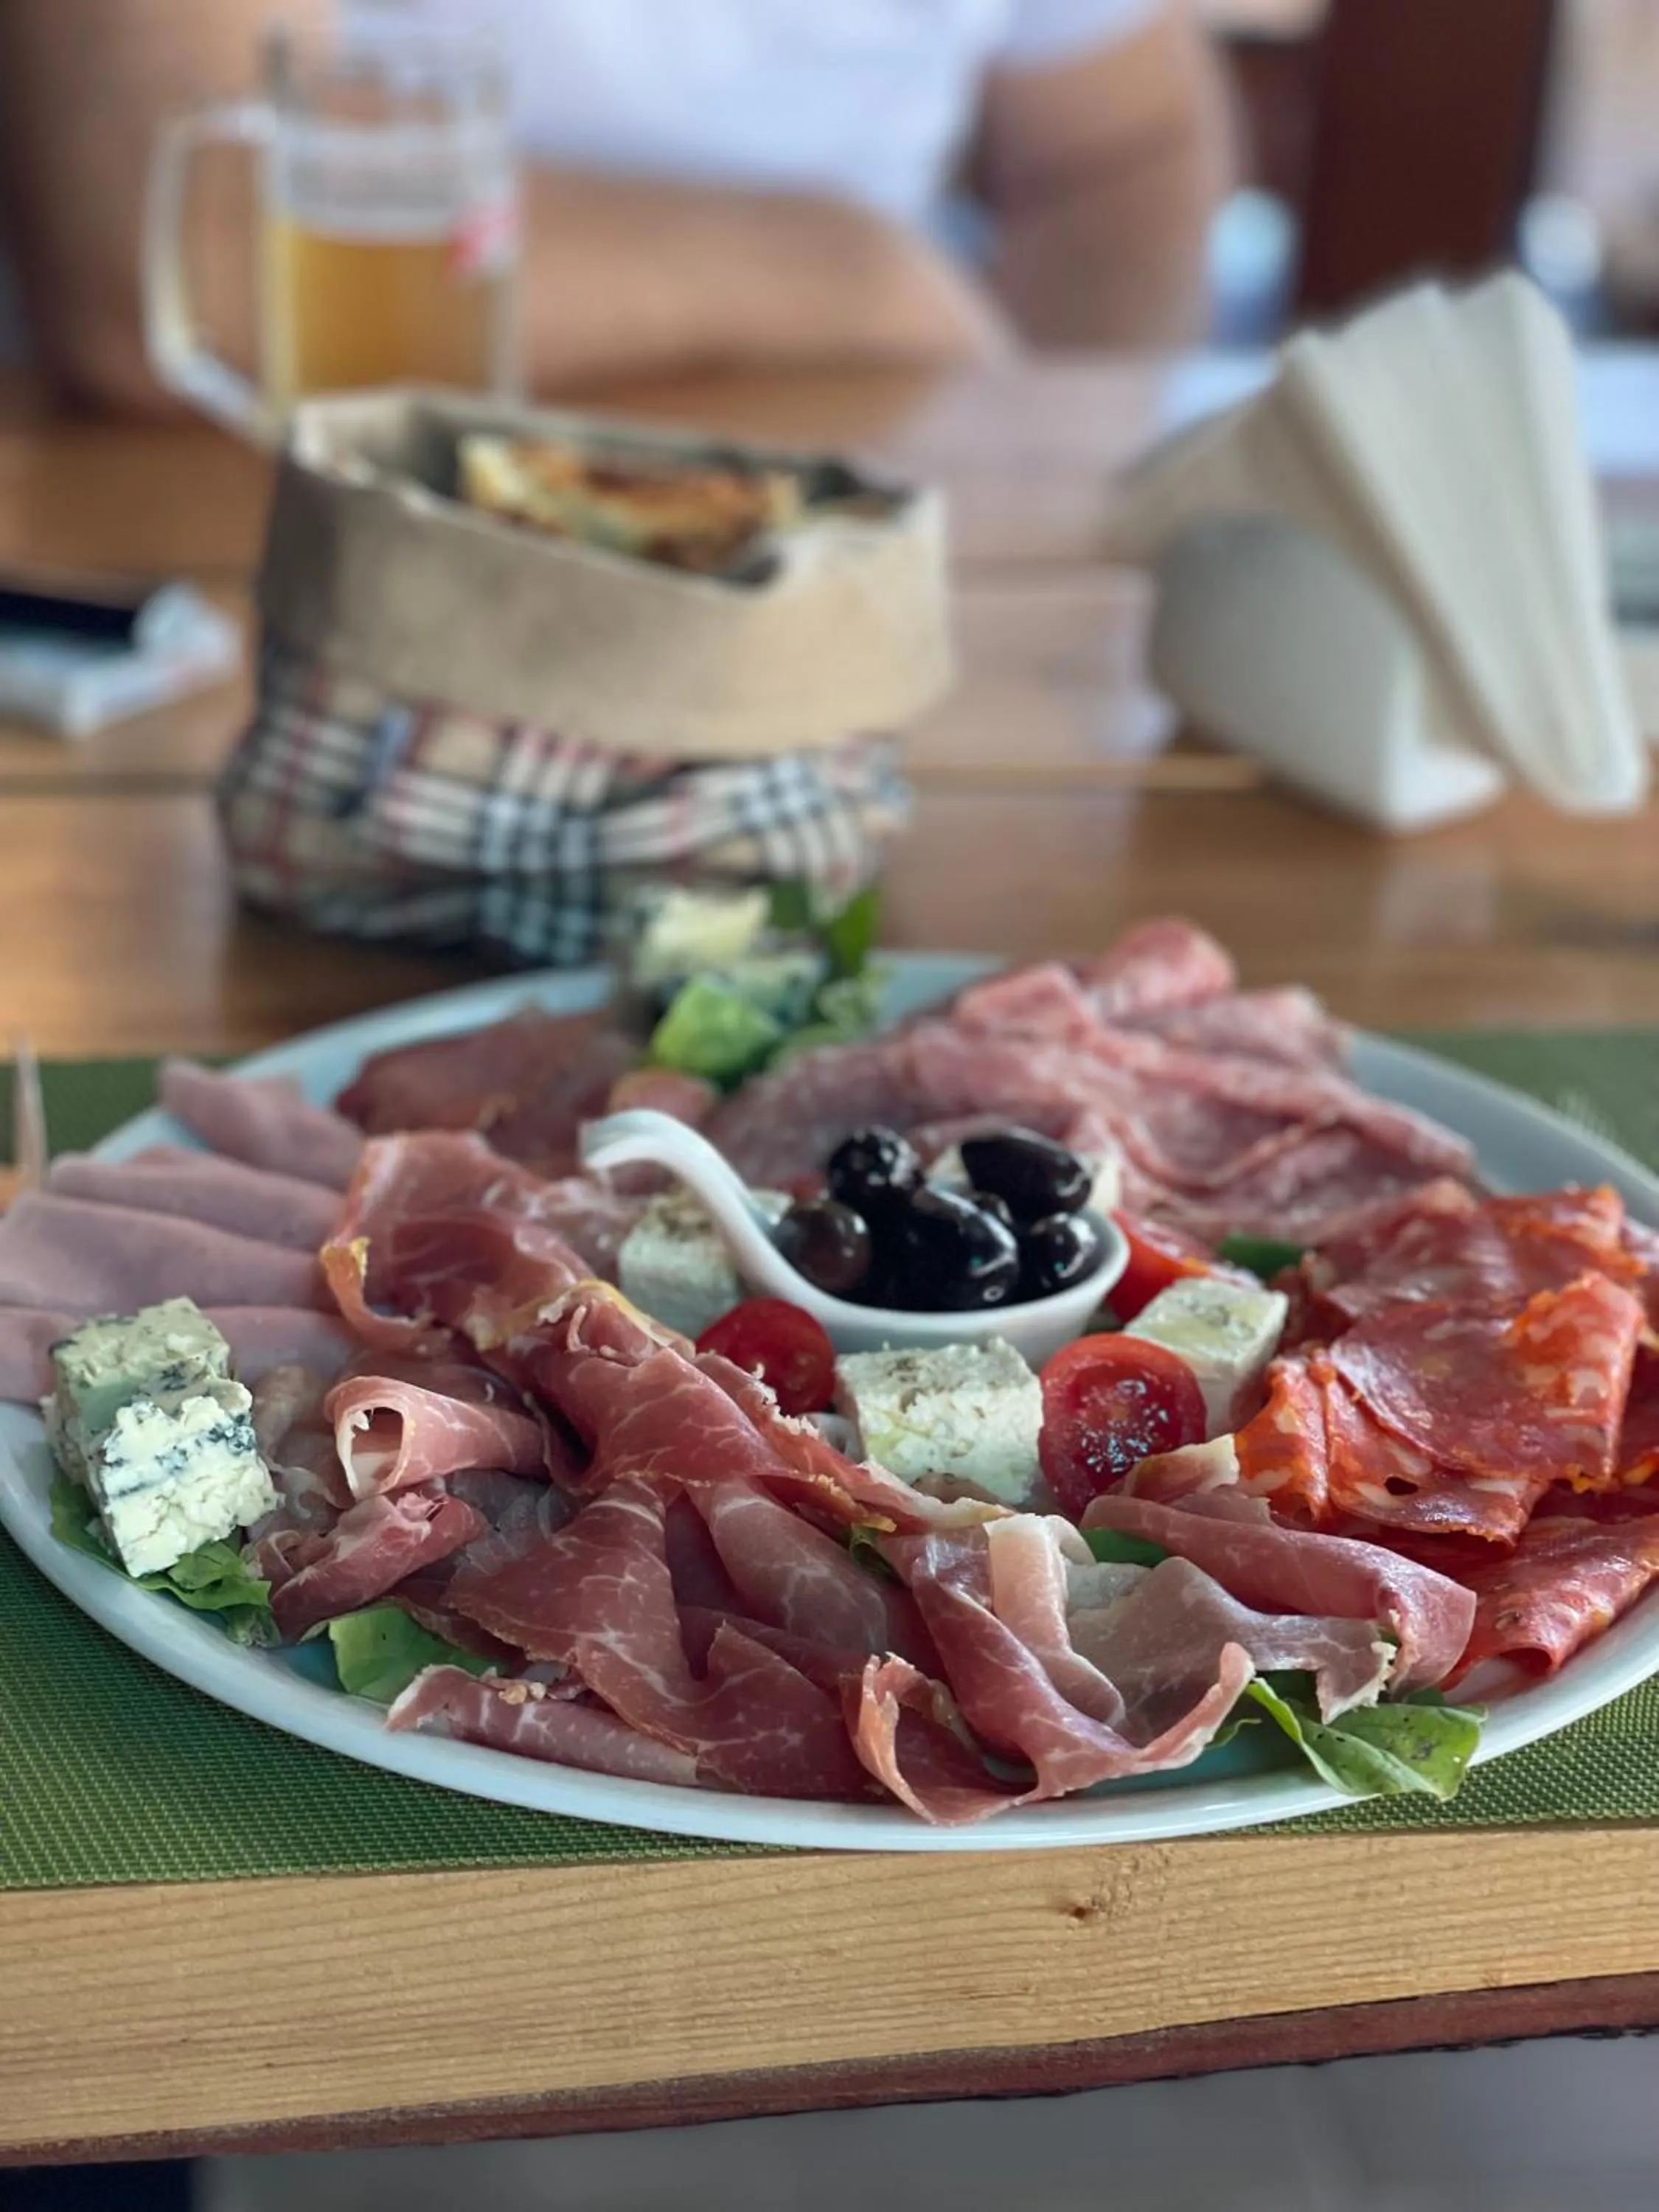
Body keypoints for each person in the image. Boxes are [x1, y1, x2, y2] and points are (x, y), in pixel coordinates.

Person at [0, 0, 1232, 415]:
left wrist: (1051, 476)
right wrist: (855, 281)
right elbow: (177, 265)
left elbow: (1122, 151)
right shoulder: (877, 291)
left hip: (847, 597)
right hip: (265, 568)